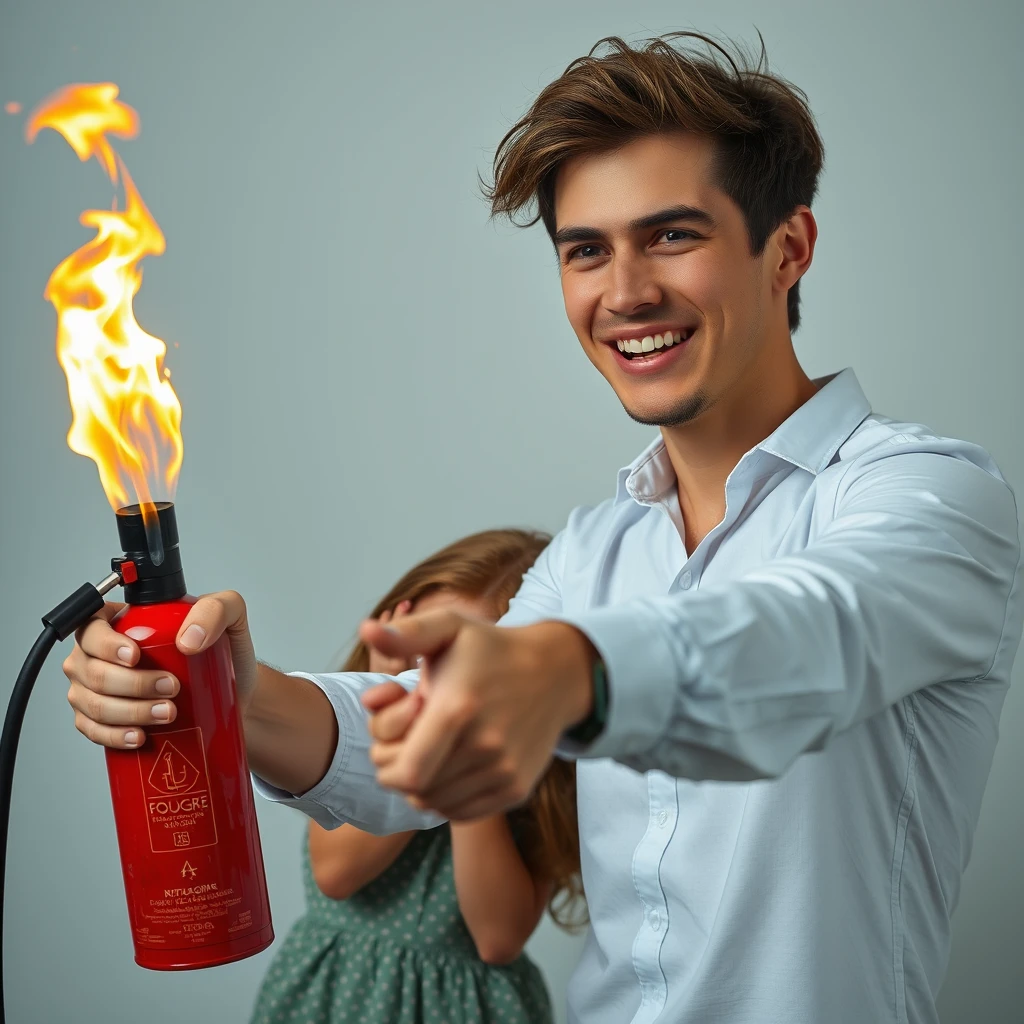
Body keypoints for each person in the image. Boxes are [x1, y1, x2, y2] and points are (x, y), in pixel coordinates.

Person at [64, 32, 1022, 1024]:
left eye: (672, 235)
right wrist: (236, 694)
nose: (625, 292)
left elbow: (802, 641)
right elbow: (409, 742)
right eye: (585, 251)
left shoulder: (927, 496)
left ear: (788, 248)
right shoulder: (595, 548)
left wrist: (567, 670)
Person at [249, 528, 583, 1024]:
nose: (435, 681)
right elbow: (335, 875)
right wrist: (393, 720)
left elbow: (497, 940)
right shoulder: (343, 747)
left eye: (464, 661)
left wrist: (467, 755)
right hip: (340, 992)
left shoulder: (541, 780)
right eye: (425, 653)